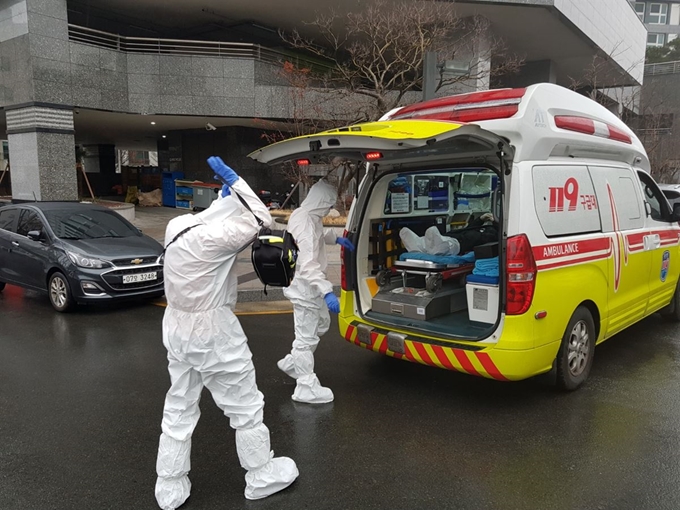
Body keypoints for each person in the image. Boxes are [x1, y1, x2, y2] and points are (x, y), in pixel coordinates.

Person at [155, 157, 298, 510]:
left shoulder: (177, 226)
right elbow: (262, 220)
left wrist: (226, 199)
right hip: (211, 331)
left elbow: (219, 215)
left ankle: (170, 485)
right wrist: (238, 184)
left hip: (176, 327)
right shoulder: (213, 240)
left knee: (179, 404)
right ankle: (261, 474)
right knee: (245, 405)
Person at [277, 179, 355, 404]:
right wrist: (327, 292)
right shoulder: (307, 223)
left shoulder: (305, 215)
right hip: (305, 289)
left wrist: (336, 237)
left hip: (305, 287)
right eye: (328, 203)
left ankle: (294, 362)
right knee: (305, 337)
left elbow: (317, 234)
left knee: (321, 324)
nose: (328, 208)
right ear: (320, 200)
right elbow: (308, 265)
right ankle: (305, 386)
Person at [399, 212, 497, 256]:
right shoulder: (482, 229)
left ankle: (438, 247)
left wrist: (496, 223)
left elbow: (499, 235)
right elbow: (470, 228)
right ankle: (419, 245)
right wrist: (480, 219)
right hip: (457, 236)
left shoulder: (493, 234)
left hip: (460, 244)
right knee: (443, 238)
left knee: (447, 243)